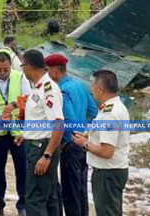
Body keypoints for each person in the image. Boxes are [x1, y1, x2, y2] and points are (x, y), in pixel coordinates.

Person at [72, 70, 129, 216]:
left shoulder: (109, 114)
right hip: (112, 172)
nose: (92, 90)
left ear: (101, 89)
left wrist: (85, 144)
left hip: (107, 174)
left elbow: (107, 151)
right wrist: (88, 135)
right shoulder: (115, 106)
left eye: (93, 86)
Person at [46, 53, 97, 216]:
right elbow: (94, 111)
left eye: (48, 71)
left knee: (70, 193)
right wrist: (86, 134)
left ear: (54, 71)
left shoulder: (62, 91)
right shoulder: (80, 85)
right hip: (82, 145)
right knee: (81, 190)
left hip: (71, 146)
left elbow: (70, 121)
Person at [20, 49, 64, 216]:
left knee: (35, 199)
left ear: (29, 66)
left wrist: (47, 155)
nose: (22, 69)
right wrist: (25, 134)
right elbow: (41, 120)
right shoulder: (37, 88)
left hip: (41, 148)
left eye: (23, 65)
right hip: (36, 144)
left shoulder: (48, 89)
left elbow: (59, 124)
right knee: (49, 196)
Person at [0, 49, 31, 216]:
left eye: (5, 69)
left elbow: (29, 97)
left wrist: (14, 104)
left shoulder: (20, 77)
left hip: (18, 132)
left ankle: (23, 205)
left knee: (22, 169)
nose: (2, 73)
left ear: (10, 65)